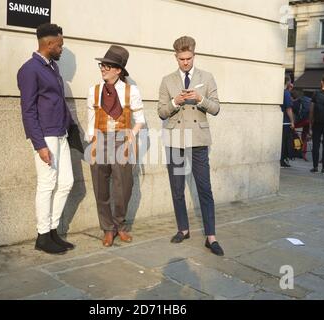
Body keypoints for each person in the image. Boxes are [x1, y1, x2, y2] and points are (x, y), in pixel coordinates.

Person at [157, 36, 224, 256]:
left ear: (194, 55)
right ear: (175, 57)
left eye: (189, 58)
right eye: (181, 59)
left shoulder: (207, 77)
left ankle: (211, 236)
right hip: (176, 140)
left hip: (198, 140)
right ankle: (183, 229)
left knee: (204, 188)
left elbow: (216, 109)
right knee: (177, 188)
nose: (185, 62)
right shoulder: (167, 80)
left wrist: (200, 99)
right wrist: (175, 102)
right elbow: (161, 112)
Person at [17, 23, 75, 254]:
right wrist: (39, 144)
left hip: (60, 134)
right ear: (49, 44)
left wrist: (72, 129)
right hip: (46, 137)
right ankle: (42, 235)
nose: (62, 49)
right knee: (47, 185)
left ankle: (52, 230)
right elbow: (28, 110)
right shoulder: (30, 69)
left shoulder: (52, 68)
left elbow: (58, 101)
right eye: (60, 45)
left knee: (66, 183)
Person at [86, 45, 146, 247]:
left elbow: (140, 120)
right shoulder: (94, 91)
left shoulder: (131, 91)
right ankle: (107, 229)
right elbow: (90, 119)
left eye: (108, 66)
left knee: (123, 188)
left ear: (118, 70)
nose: (103, 68)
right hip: (99, 141)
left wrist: (131, 137)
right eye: (102, 65)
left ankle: (120, 225)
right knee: (100, 188)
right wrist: (92, 141)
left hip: (123, 141)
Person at [292, 89, 311, 161]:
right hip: (308, 120)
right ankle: (303, 154)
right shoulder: (307, 100)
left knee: (292, 131)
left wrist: (293, 125)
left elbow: (293, 115)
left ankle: (296, 150)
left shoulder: (295, 102)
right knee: (305, 136)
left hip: (301, 121)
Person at [280, 76, 295, 168]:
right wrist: (292, 121)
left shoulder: (280, 92)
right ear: (288, 82)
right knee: (284, 143)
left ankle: (281, 160)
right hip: (285, 122)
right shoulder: (286, 94)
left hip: (278, 120)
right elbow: (289, 109)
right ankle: (282, 160)